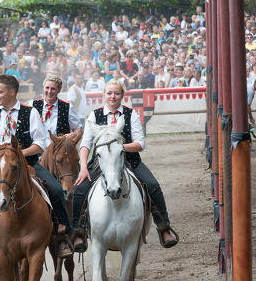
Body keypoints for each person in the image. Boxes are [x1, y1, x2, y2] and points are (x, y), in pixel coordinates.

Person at [0, 74, 73, 270]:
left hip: (27, 163)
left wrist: (16, 155)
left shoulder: (30, 112)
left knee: (57, 190)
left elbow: (39, 144)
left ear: (11, 92)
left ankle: (64, 235)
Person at [72, 80, 179, 252]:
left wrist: (118, 148)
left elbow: (140, 144)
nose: (112, 96)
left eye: (116, 93)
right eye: (109, 93)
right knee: (79, 189)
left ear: (122, 95)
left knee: (152, 185)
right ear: (104, 95)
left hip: (130, 161)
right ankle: (78, 231)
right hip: (100, 163)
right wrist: (84, 167)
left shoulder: (131, 114)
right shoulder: (94, 115)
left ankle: (164, 227)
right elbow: (85, 144)